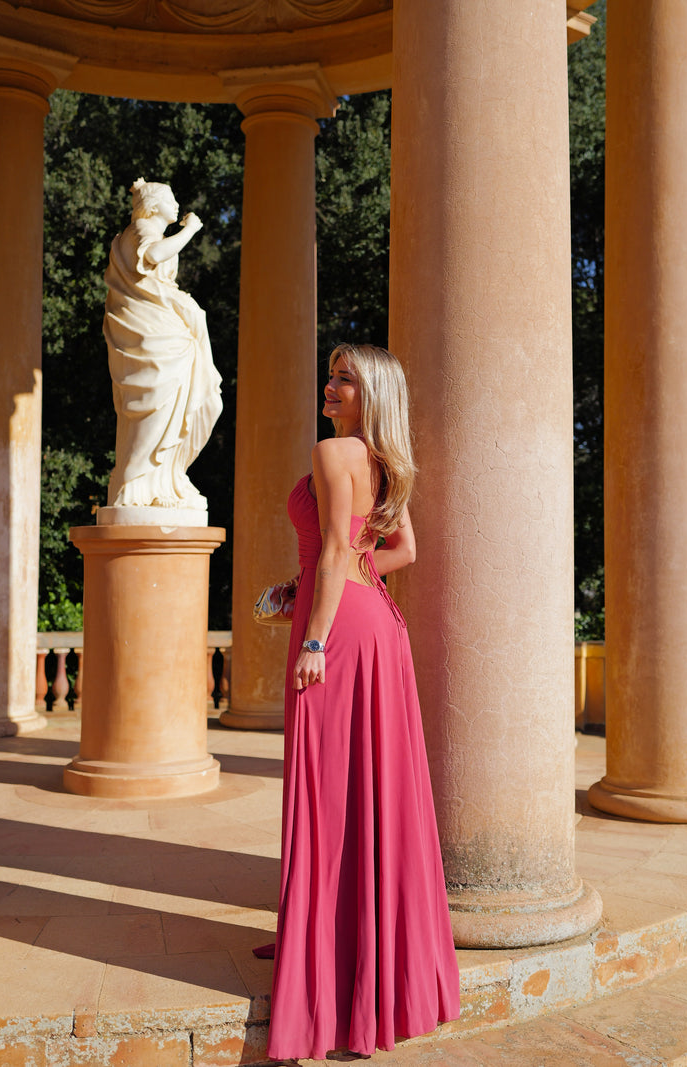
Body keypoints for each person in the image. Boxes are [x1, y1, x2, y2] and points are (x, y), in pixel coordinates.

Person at [264, 343, 460, 1061]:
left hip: (340, 630)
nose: (331, 383)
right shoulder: (382, 461)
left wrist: (313, 636)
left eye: (345, 377)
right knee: (362, 789)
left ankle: (323, 959)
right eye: (332, 373)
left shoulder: (333, 450)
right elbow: (399, 548)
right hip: (374, 620)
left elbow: (331, 556)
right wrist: (323, 582)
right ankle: (324, 945)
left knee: (325, 788)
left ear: (369, 391)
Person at [103, 178, 222, 510]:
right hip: (151, 337)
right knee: (155, 403)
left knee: (196, 403)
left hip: (167, 331)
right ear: (154, 206)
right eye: (172, 200)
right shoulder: (141, 230)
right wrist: (190, 231)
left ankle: (167, 478)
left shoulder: (147, 231)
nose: (178, 206)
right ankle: (135, 482)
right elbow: (154, 254)